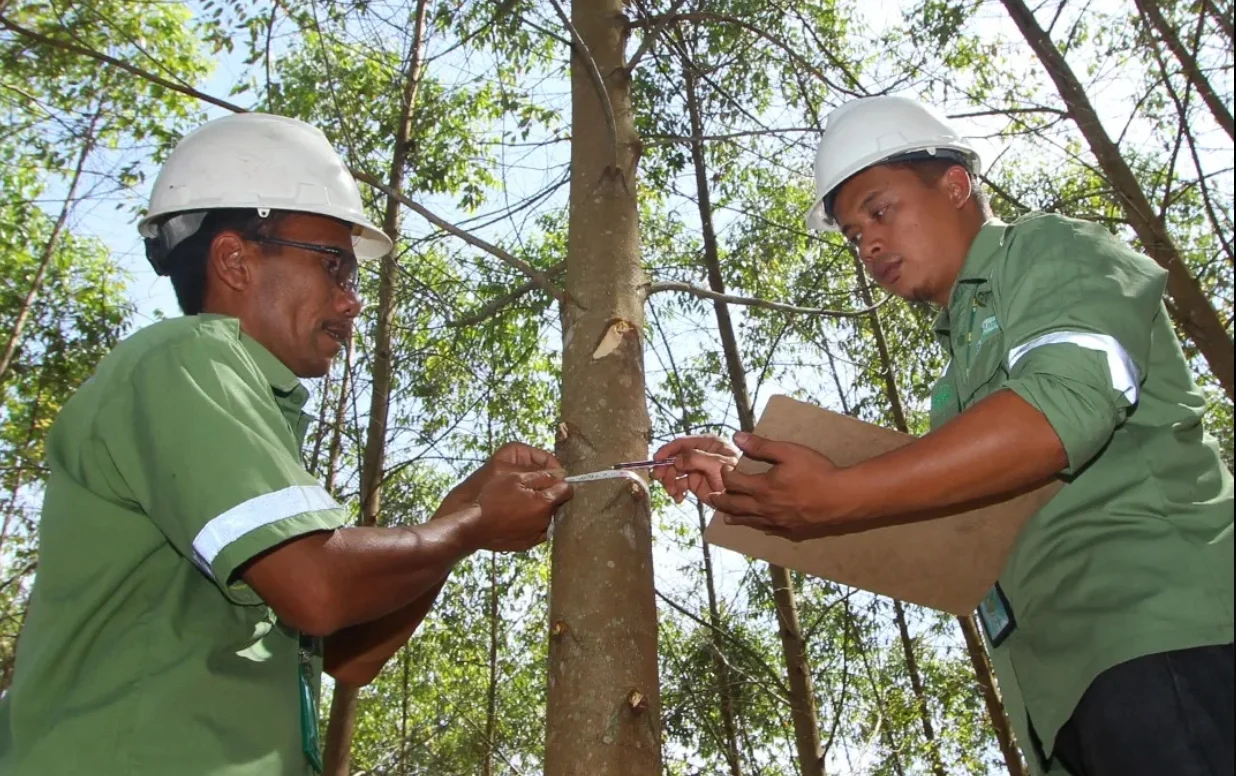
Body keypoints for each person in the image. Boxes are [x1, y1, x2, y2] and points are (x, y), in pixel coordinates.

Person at [653, 95, 1233, 776]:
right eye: (853, 235)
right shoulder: (955, 385)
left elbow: (1061, 407)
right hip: (1058, 699)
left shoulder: (1053, 248)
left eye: (879, 211)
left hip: (1164, 640)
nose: (868, 246)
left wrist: (839, 493)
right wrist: (752, 481)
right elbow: (951, 526)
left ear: (956, 185)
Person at [0, 113, 573, 775]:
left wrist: (459, 513)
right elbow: (318, 590)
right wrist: (473, 526)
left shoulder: (241, 406)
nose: (351, 302)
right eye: (333, 266)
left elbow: (351, 656)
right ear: (234, 260)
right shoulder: (184, 360)